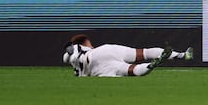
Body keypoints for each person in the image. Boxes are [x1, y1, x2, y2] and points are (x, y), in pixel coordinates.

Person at [62, 34, 192, 77]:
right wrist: (70, 48)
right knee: (144, 52)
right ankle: (182, 55)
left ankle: (151, 65)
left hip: (99, 69)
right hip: (104, 51)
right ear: (84, 42)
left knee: (132, 70)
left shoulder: (74, 61)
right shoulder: (78, 46)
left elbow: (67, 56)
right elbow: (69, 49)